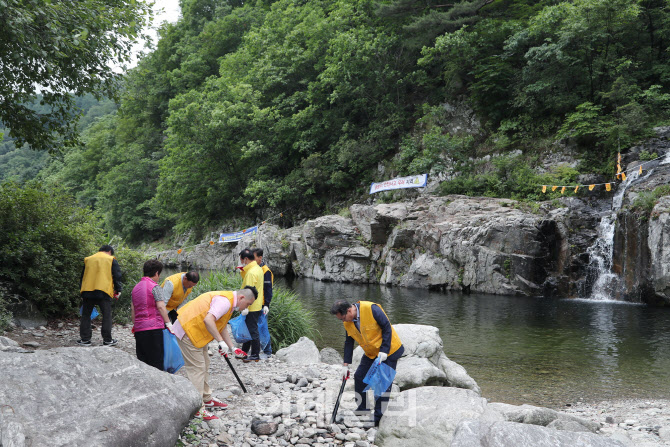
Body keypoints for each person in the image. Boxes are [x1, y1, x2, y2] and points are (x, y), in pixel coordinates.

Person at [172, 286, 258, 421]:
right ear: (241, 298)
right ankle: (197, 408)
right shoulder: (225, 302)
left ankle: (206, 399)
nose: (246, 308)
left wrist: (231, 347)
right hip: (188, 331)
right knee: (197, 369)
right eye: (248, 304)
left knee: (205, 364)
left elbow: (221, 324)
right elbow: (208, 320)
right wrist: (220, 341)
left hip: (197, 332)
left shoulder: (230, 303)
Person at [330, 299, 404, 427]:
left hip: (389, 351)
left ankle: (377, 419)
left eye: (342, 318)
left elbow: (387, 327)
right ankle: (362, 408)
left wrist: (384, 350)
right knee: (359, 377)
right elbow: (349, 342)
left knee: (382, 383)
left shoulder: (371, 309)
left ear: (349, 310)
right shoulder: (348, 322)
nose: (343, 321)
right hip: (371, 352)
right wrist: (345, 365)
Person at [131, 259, 173, 370]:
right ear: (156, 273)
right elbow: (160, 306)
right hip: (154, 329)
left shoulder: (135, 288)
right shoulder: (155, 287)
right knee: (156, 361)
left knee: (143, 361)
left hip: (139, 330)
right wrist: (168, 324)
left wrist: (136, 326)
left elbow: (133, 310)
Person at [78, 245, 122, 346]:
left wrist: (81, 290)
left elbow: (82, 277)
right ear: (110, 251)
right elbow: (117, 276)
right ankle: (107, 340)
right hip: (104, 291)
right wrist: (118, 290)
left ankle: (85, 340)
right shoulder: (111, 259)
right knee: (106, 315)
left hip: (87, 291)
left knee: (86, 315)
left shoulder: (88, 259)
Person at [237, 248, 264, 363]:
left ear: (246, 259)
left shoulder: (251, 273)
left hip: (251, 306)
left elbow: (247, 293)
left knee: (252, 330)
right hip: (256, 305)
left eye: (242, 260)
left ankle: (255, 354)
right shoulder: (257, 268)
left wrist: (245, 307)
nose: (242, 263)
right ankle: (244, 352)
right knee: (248, 329)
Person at [252, 248, 273, 359]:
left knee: (262, 327)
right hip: (254, 303)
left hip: (262, 304)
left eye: (254, 257)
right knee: (256, 327)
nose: (252, 260)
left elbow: (268, 289)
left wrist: (266, 304)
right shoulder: (256, 269)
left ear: (260, 257)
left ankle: (267, 351)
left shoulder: (265, 271)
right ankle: (257, 349)